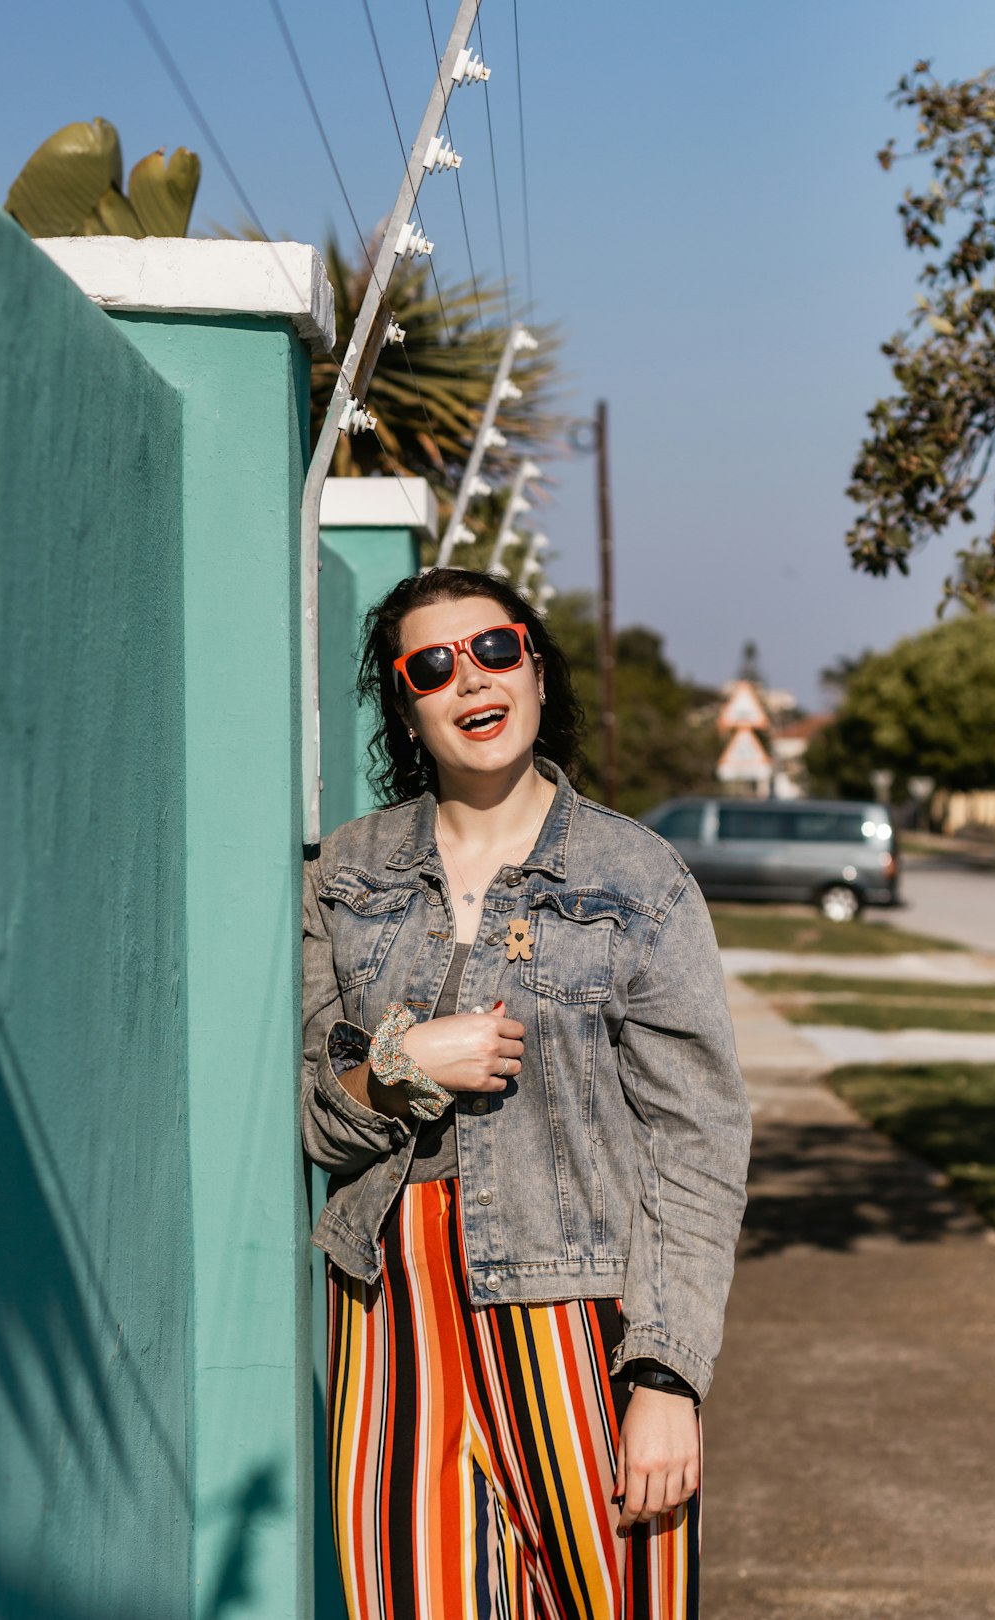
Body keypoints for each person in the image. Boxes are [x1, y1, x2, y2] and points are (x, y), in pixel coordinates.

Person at [301, 567, 750, 1620]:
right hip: (390, 1317)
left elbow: (699, 1144)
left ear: (536, 669)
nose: (472, 679)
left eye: (495, 649)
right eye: (432, 667)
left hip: (581, 1322)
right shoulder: (349, 874)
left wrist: (669, 1378)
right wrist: (409, 1066)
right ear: (407, 709)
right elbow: (317, 1107)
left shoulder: (636, 880)